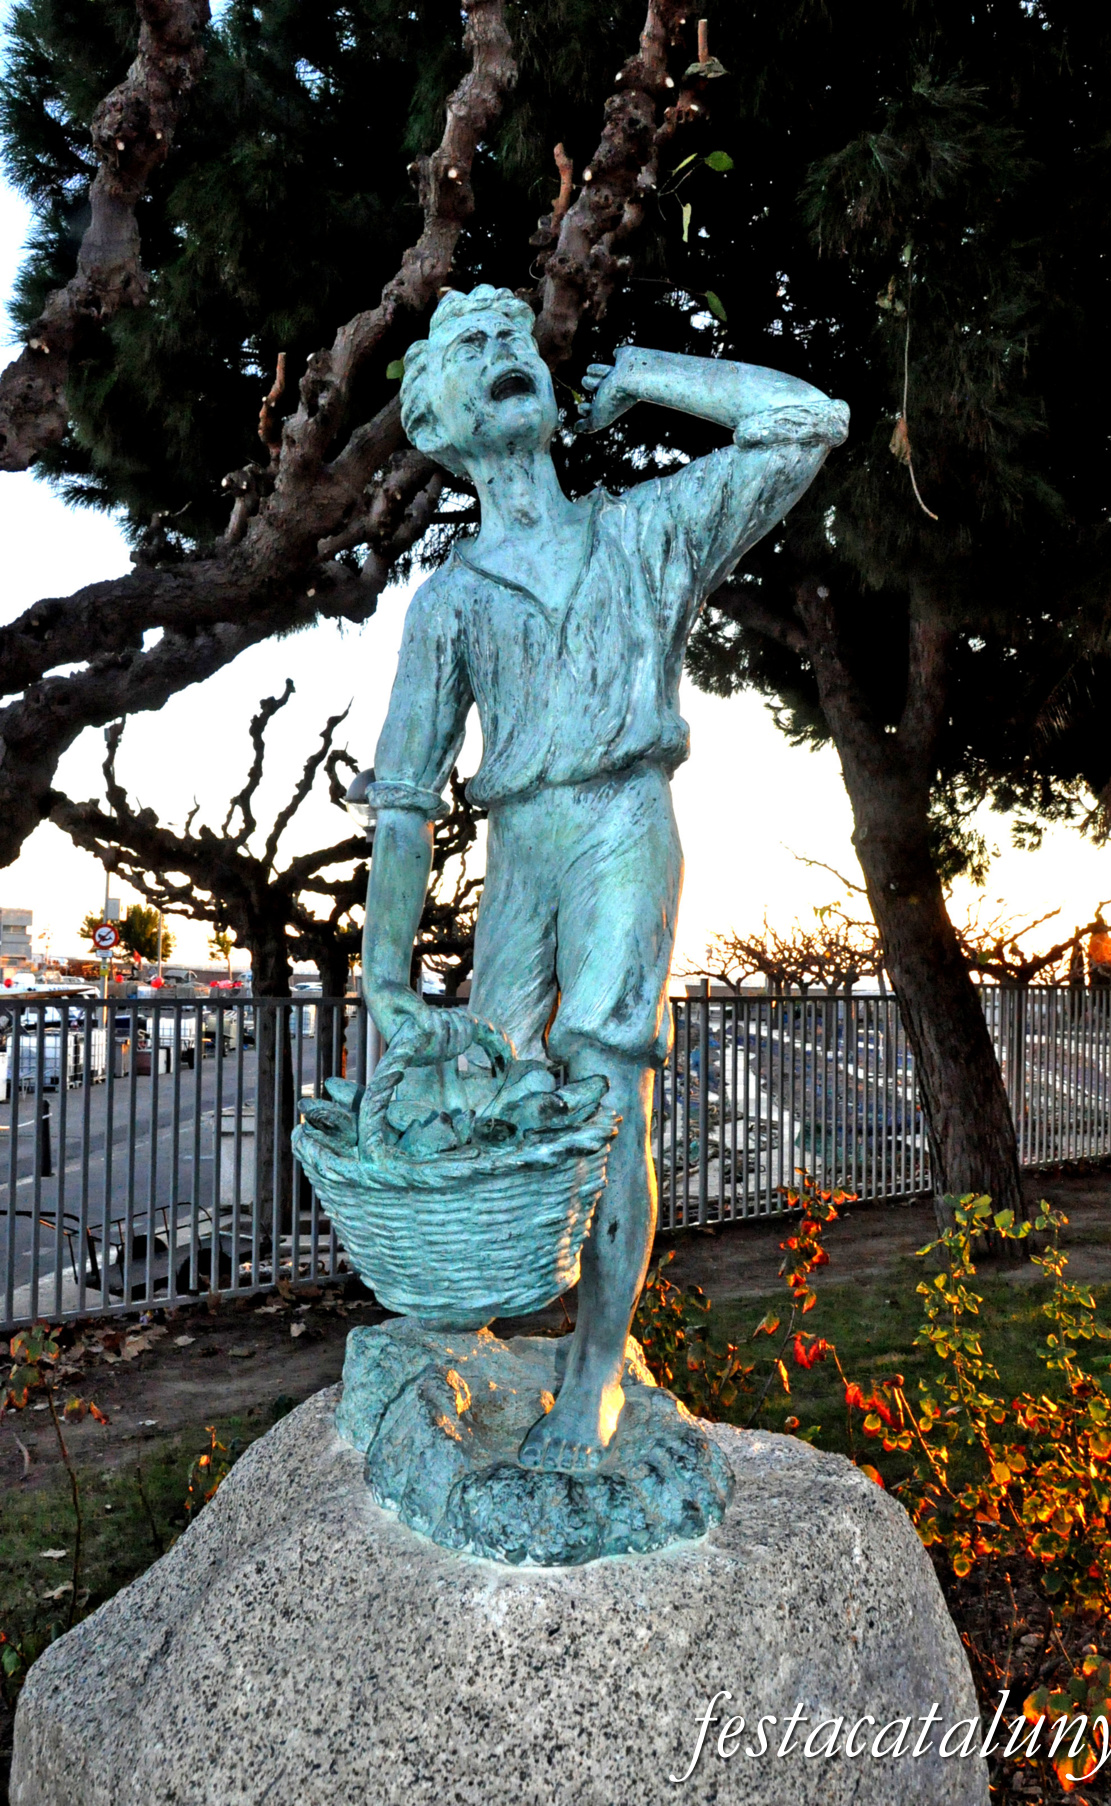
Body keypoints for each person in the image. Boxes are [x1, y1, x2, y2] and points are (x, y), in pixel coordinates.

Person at [361, 284, 848, 1473]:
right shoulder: (452, 603)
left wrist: (643, 372)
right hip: (521, 850)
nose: (503, 354)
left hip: (624, 821)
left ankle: (591, 1382)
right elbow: (406, 800)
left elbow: (808, 423)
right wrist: (382, 977)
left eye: (514, 338)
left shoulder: (646, 532)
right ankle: (458, 1324)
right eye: (470, 349)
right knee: (475, 1084)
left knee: (604, 1091)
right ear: (436, 424)